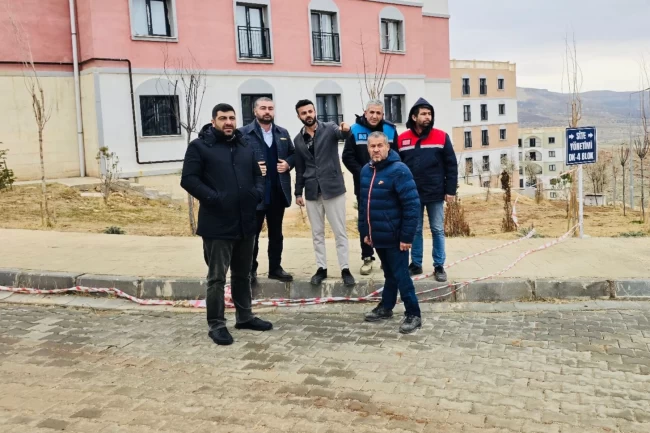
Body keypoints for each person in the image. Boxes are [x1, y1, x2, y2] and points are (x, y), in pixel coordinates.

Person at [180, 103, 273, 346]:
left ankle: (245, 317)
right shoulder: (199, 146)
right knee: (217, 278)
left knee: (243, 274)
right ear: (214, 121)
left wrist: (256, 193)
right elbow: (189, 179)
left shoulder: (244, 145)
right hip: (217, 224)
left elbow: (258, 174)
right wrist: (215, 198)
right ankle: (217, 325)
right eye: (223, 118)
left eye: (232, 118)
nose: (228, 122)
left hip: (246, 221)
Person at [359, 131, 422, 334]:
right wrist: (366, 232)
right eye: (372, 146)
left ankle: (413, 313)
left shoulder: (399, 170)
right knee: (389, 274)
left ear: (387, 147)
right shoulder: (366, 171)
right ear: (368, 149)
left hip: (396, 237)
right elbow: (364, 205)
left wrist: (406, 237)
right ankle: (386, 307)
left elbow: (412, 206)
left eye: (380, 145)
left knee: (402, 276)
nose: (376, 150)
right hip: (378, 236)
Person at [293, 99, 355, 287]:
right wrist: (298, 193)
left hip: (333, 188)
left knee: (340, 231)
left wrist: (346, 130)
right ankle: (321, 268)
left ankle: (345, 268)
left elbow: (342, 134)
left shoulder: (329, 128)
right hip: (312, 191)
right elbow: (300, 168)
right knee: (317, 233)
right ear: (299, 116)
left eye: (310, 111)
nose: (308, 115)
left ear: (315, 111)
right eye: (304, 113)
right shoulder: (298, 139)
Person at [397, 98, 458, 282]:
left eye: (429, 113)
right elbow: (397, 167)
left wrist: (450, 191)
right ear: (414, 117)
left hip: (435, 192)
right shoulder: (402, 139)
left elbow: (451, 165)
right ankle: (416, 263)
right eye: (423, 114)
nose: (427, 117)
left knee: (437, 229)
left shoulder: (441, 137)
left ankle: (439, 265)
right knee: (415, 230)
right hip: (412, 194)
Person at [239, 97, 295, 285]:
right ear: (255, 111)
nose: (267, 111)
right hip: (255, 193)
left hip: (278, 191)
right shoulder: (243, 134)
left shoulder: (282, 133)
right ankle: (250, 270)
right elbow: (235, 159)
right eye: (263, 108)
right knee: (252, 234)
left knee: (276, 233)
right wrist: (252, 166)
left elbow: (294, 154)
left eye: (270, 108)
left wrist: (288, 163)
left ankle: (275, 268)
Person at [342, 99, 398, 276]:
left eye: (378, 113)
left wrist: (387, 175)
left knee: (386, 220)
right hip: (364, 185)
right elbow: (347, 157)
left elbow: (396, 155)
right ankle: (367, 257)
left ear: (383, 114)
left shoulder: (390, 130)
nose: (374, 116)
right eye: (371, 112)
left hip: (387, 185)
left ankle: (386, 258)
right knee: (365, 221)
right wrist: (364, 173)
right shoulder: (354, 130)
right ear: (365, 113)